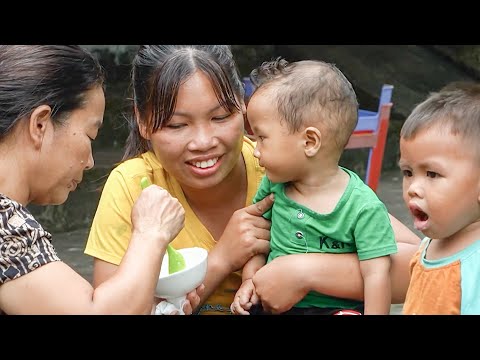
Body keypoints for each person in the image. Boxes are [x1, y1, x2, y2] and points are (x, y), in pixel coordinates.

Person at [84, 45, 420, 315]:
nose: (203, 141)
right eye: (177, 125)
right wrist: (220, 260)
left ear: (242, 109)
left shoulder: (279, 168)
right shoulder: (133, 187)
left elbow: (419, 265)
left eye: (220, 117)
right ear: (144, 123)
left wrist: (302, 272)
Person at [0, 45, 202, 315]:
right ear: (40, 125)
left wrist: (140, 299)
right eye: (90, 136)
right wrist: (152, 232)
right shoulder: (6, 224)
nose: (91, 161)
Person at [230, 58, 398, 315]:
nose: (256, 151)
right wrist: (250, 281)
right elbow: (258, 242)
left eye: (262, 138)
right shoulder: (273, 188)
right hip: (273, 304)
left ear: (309, 141)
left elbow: (376, 275)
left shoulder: (363, 206)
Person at [399, 82, 480, 315]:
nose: (413, 188)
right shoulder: (427, 247)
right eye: (407, 172)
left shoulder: (474, 268)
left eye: (432, 174)